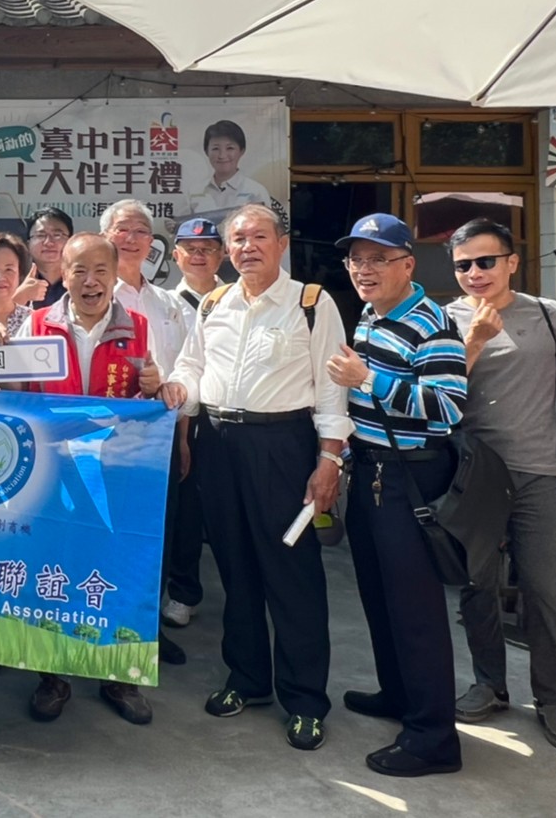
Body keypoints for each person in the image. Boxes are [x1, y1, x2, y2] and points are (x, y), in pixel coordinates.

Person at [168, 204, 349, 752]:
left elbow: (331, 388)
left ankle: (305, 700)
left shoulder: (311, 304)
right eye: (239, 239)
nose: (249, 247)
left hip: (284, 448)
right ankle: (246, 679)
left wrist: (329, 460)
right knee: (235, 568)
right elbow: (191, 366)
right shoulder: (214, 302)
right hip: (218, 445)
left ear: (282, 243)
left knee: (291, 574)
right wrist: (178, 390)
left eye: (259, 237)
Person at [445, 217, 556, 753]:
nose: (475, 273)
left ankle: (553, 699)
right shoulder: (444, 318)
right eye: (464, 265)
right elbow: (440, 391)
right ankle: (490, 684)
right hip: (475, 475)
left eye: (487, 261)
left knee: (544, 589)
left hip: (537, 472)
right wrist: (475, 340)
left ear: (512, 261)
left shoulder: (552, 318)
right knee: (476, 586)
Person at [326, 213, 467, 778]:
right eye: (357, 259)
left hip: (410, 476)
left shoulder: (431, 322)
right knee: (380, 597)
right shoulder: (368, 315)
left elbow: (448, 407)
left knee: (416, 611)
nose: (365, 269)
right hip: (370, 471)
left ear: (408, 264)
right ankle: (398, 694)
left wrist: (368, 380)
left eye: (378, 259)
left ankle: (434, 736)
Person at [15, 233, 166, 727]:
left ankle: (118, 675)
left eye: (101, 269)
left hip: (117, 476)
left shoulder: (140, 327)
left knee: (116, 569)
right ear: (63, 272)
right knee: (51, 573)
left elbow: (159, 393)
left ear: (116, 272)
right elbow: (13, 393)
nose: (90, 281)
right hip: (51, 476)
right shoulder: (36, 325)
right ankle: (51, 677)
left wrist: (156, 384)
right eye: (79, 270)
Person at [102, 201, 190, 664]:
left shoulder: (168, 305)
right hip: (104, 439)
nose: (132, 237)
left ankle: (145, 626)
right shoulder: (89, 294)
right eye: (122, 229)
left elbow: (183, 373)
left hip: (160, 438)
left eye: (141, 230)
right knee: (104, 531)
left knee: (156, 533)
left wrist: (183, 438)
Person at [161, 218, 226, 631]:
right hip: (177, 419)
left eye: (208, 247)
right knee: (184, 512)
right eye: (190, 247)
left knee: (227, 508)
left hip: (225, 419)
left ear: (222, 254)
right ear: (176, 255)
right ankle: (183, 591)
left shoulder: (237, 300)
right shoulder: (164, 302)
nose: (199, 255)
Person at [191, 120, 277, 215]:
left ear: (241, 151)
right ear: (206, 152)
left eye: (230, 148)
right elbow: (183, 226)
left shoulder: (256, 191)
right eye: (215, 148)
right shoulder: (194, 192)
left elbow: (264, 226)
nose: (222, 155)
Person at [25, 207, 72, 309]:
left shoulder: (81, 281)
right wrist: (19, 298)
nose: (49, 242)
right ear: (28, 244)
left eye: (57, 235)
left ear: (70, 241)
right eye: (40, 235)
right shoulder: (13, 280)